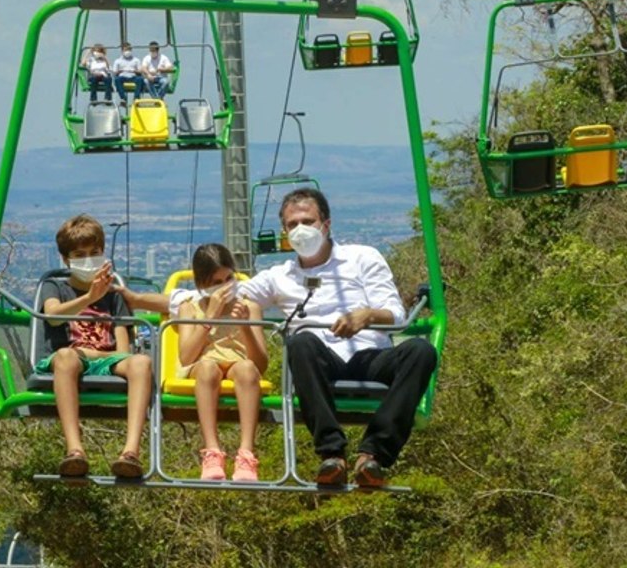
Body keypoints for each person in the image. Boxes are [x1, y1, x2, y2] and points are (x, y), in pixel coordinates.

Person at [238, 188, 437, 488]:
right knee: (301, 341)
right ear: (284, 231)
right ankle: (332, 454)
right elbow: (226, 298)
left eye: (308, 221)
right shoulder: (279, 276)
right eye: (293, 225)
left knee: (421, 352)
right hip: (321, 359)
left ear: (326, 225)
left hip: (368, 354)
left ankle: (373, 454)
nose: (301, 230)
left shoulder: (361, 258)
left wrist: (366, 316)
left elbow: (396, 314)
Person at [34, 214, 152, 479]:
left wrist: (104, 353)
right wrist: (89, 297)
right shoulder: (55, 287)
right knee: (66, 357)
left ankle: (131, 451)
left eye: (94, 253)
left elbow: (123, 349)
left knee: (142, 362)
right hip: (71, 357)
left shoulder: (114, 296)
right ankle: (75, 449)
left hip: (105, 359)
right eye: (80, 255)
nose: (89, 260)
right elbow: (52, 315)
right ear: (66, 259)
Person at [174, 244, 268, 482]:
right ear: (202, 285)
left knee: (247, 369)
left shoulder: (249, 306)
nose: (225, 287)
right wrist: (209, 318)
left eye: (229, 278)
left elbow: (260, 363)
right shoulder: (189, 307)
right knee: (208, 368)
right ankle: (212, 450)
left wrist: (246, 327)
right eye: (217, 282)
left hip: (238, 363)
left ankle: (246, 452)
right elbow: (186, 356)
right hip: (204, 364)